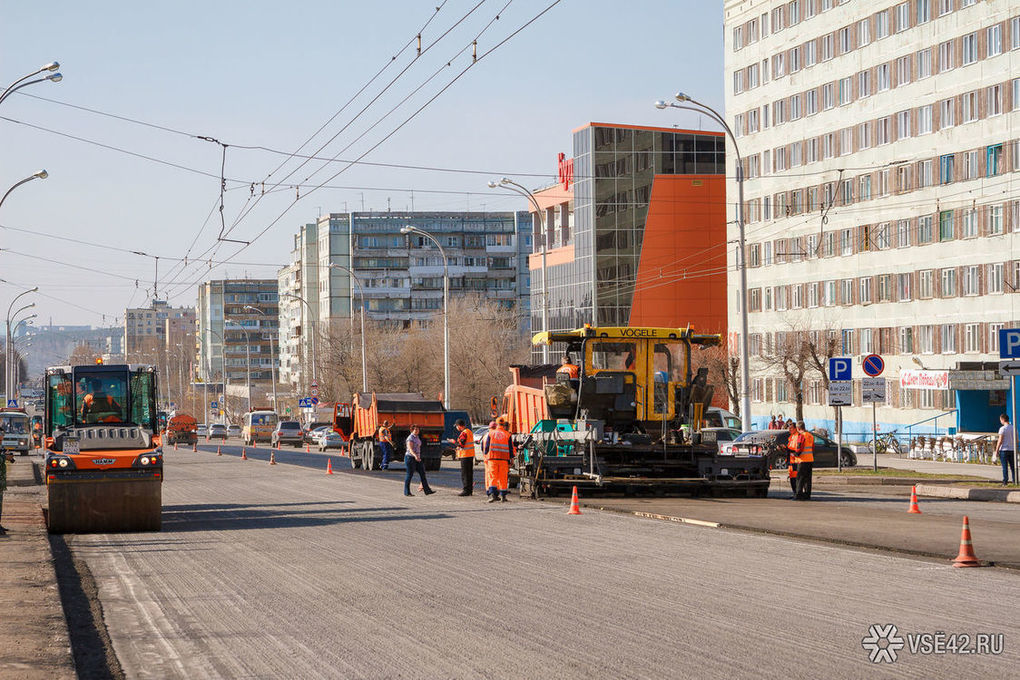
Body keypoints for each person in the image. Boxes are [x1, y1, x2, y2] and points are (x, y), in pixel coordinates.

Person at [483, 419, 514, 503]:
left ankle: (493, 495)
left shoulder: (491, 433)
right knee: (503, 478)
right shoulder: (507, 434)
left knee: (493, 477)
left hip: (492, 459)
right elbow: (510, 448)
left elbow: (486, 447)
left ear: (497, 424)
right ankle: (503, 496)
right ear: (503, 425)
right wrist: (511, 458)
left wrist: (486, 454)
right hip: (504, 459)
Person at [403, 425, 434, 497]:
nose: (417, 430)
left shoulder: (417, 437)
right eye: (415, 429)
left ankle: (427, 490)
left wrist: (418, 456)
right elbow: (410, 449)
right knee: (409, 474)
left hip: (417, 458)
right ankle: (407, 492)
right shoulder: (410, 438)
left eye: (418, 429)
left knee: (422, 473)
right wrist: (415, 455)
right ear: (412, 430)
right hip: (410, 458)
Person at [789, 421, 814, 500]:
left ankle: (798, 495)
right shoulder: (810, 435)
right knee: (808, 479)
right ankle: (807, 494)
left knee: (800, 478)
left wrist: (795, 454)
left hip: (802, 460)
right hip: (810, 459)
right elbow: (812, 447)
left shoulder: (801, 436)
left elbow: (799, 448)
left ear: (798, 428)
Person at [448, 419, 475, 496]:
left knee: (465, 474)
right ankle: (470, 490)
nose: (456, 428)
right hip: (470, 455)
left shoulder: (464, 433)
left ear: (459, 426)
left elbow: (461, 445)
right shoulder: (469, 431)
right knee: (469, 474)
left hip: (465, 456)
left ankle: (466, 490)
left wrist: (453, 442)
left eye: (456, 426)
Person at [996, 413, 1016, 486]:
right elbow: (1017, 440)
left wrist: (997, 450)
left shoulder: (1002, 429)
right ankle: (1015, 480)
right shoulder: (1013, 428)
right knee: (1013, 467)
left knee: (1005, 467)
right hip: (1012, 449)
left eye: (1000, 420)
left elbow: (1000, 440)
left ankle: (1005, 482)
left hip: (1004, 450)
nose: (1000, 421)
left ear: (1003, 419)